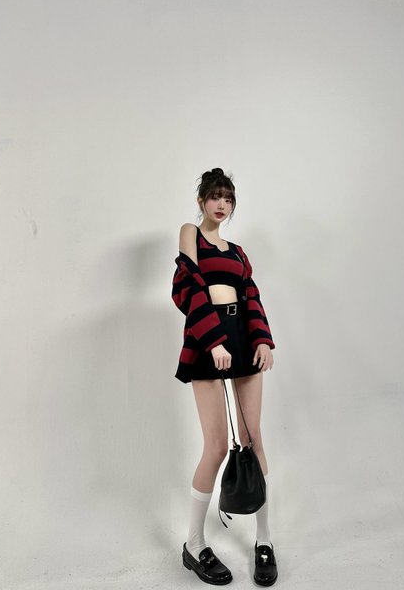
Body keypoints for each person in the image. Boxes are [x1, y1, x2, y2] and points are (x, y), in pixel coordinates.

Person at [171, 168, 278, 586]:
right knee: (216, 447)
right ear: (202, 201)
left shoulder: (237, 252)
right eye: (215, 196)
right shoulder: (190, 234)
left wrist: (262, 340)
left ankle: (264, 541)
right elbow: (188, 286)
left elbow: (251, 296)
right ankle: (194, 544)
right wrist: (214, 341)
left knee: (253, 440)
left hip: (242, 338)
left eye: (228, 198)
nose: (222, 205)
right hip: (206, 338)